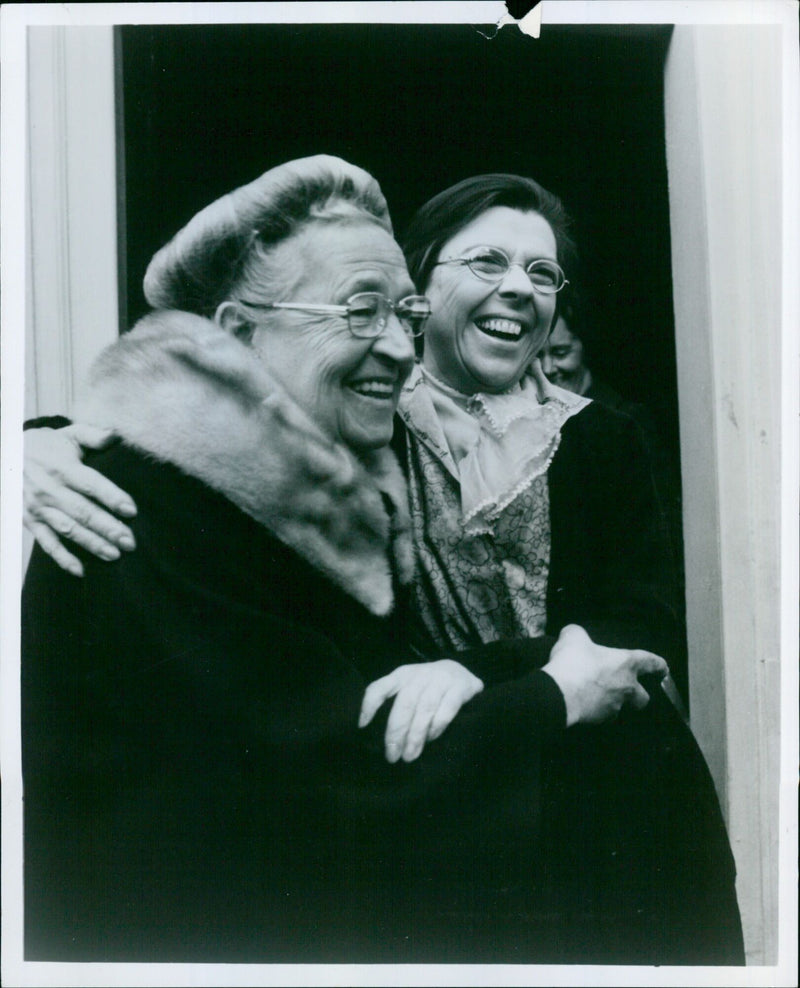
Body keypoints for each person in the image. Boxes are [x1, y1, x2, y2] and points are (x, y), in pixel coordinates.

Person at [22, 160, 744, 964]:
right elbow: (322, 769)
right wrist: (49, 438)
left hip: (525, 802)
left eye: (544, 273)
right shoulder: (316, 444)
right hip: (427, 822)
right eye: (369, 311)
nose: (394, 346)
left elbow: (637, 623)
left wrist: (481, 675)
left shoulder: (591, 434)